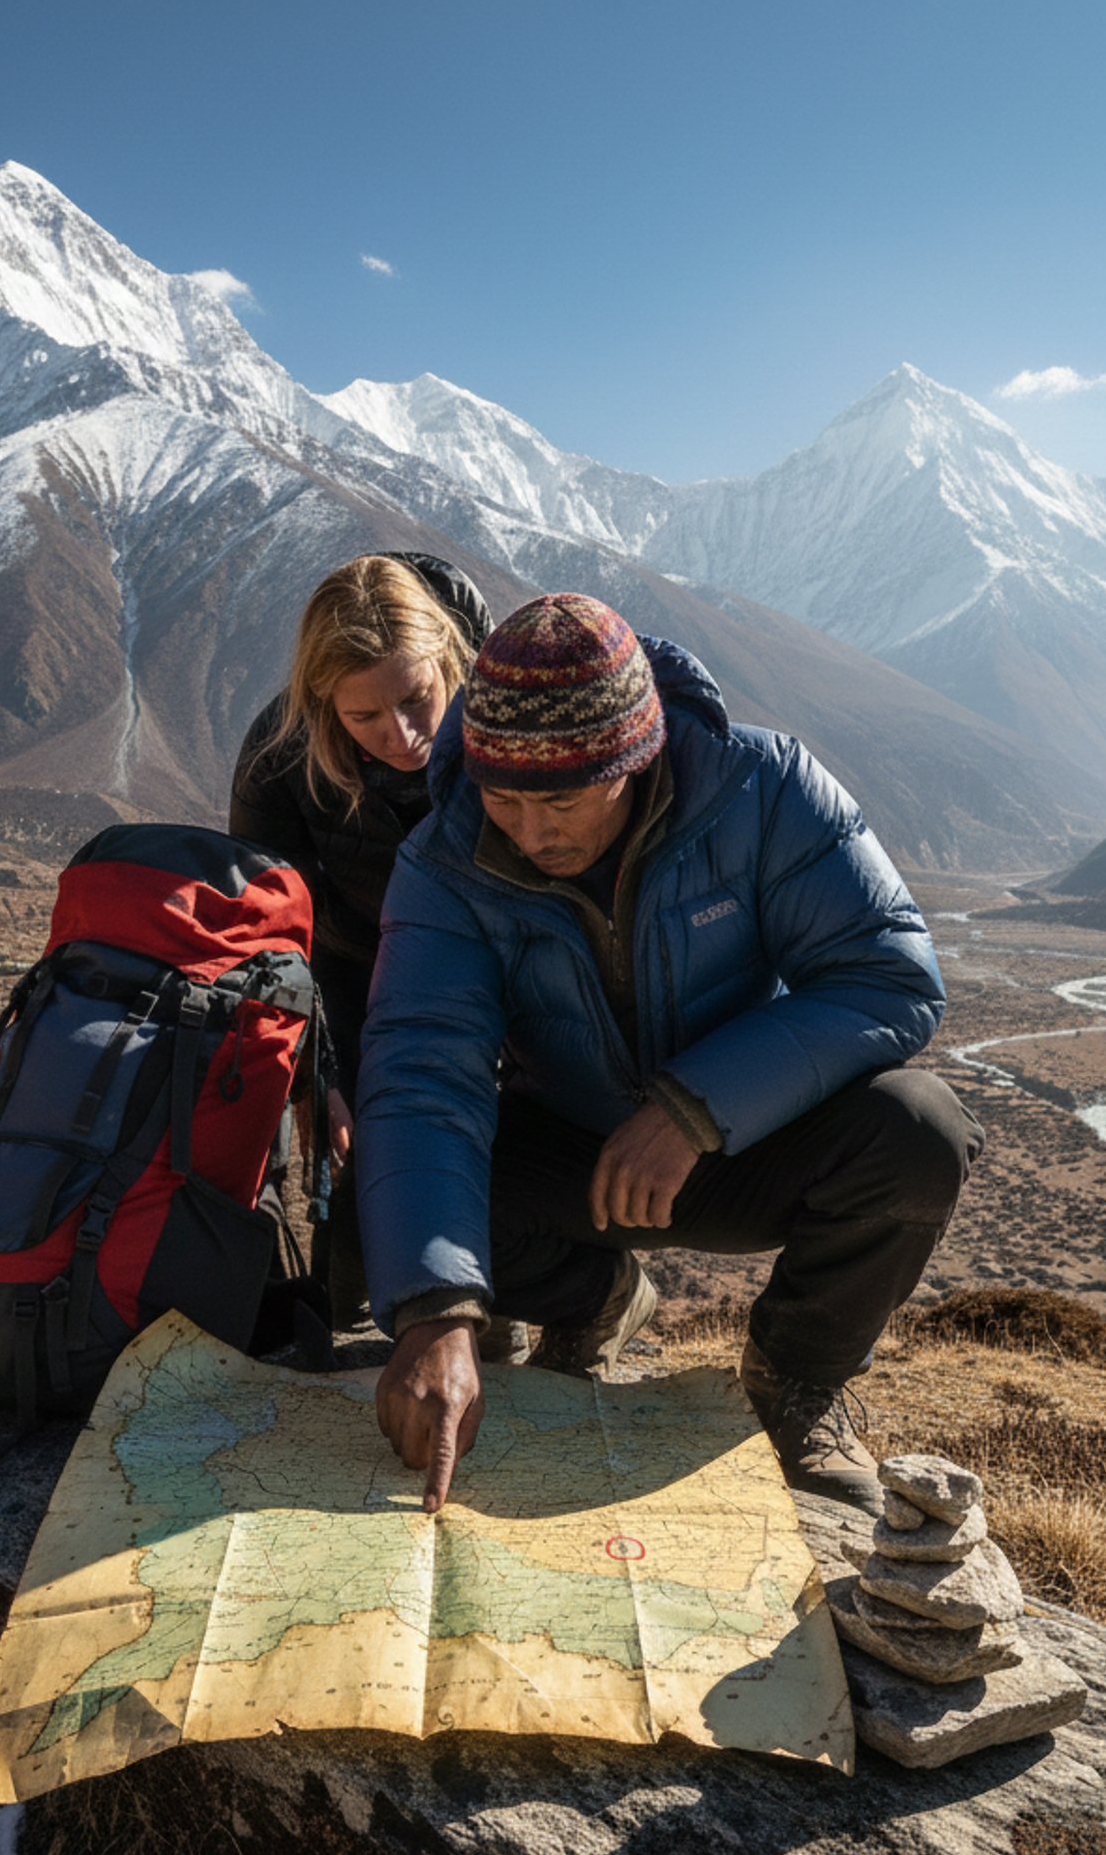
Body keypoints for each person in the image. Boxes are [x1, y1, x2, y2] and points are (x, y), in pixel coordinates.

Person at [354, 593, 984, 1516]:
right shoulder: (447, 858)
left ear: (634, 758)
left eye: (561, 801)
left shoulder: (762, 788)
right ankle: (594, 1296)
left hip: (743, 1141)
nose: (528, 835)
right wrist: (435, 1314)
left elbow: (888, 977)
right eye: (503, 799)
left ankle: (795, 1383)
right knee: (382, 1208)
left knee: (919, 1133)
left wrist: (698, 1108)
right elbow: (421, 1074)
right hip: (570, 1155)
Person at [227, 552, 527, 1359]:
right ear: (321, 703)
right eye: (363, 719)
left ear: (450, 660)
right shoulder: (279, 757)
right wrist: (314, 1073)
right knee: (363, 1142)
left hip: (518, 956)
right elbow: (269, 935)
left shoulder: (520, 707)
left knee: (524, 1137)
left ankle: (529, 1314)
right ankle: (357, 1325)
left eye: (417, 699)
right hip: (362, 971)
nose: (402, 736)